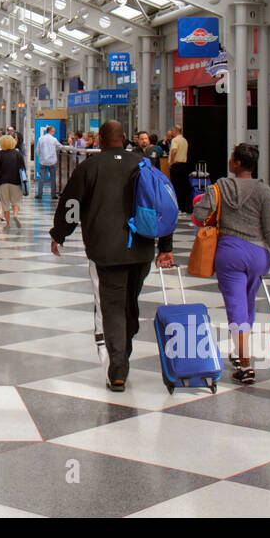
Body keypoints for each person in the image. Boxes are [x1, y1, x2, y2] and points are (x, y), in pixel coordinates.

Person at [50, 120, 175, 392]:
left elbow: (71, 204)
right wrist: (165, 246)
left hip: (106, 250)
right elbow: (163, 203)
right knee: (129, 303)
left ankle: (117, 368)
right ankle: (123, 353)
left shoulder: (89, 167)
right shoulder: (143, 164)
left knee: (114, 307)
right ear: (125, 138)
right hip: (141, 249)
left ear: (100, 140)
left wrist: (60, 233)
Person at [192, 143, 270, 385]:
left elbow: (200, 215)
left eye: (231, 157)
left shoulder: (220, 187)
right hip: (259, 255)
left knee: (236, 308)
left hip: (230, 253)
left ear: (236, 163)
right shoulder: (264, 191)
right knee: (247, 304)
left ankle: (246, 365)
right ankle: (238, 352)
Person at [0, 134, 27, 227]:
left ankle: (8, 223)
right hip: (16, 181)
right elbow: (23, 168)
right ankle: (15, 215)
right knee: (16, 201)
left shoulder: (0, 154)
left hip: (3, 182)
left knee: (5, 202)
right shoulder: (18, 154)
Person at [168, 124, 191, 213]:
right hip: (184, 165)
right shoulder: (184, 140)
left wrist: (171, 162)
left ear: (175, 131)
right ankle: (185, 206)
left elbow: (174, 150)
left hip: (176, 165)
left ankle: (178, 206)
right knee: (184, 186)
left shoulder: (175, 140)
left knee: (176, 186)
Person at [35, 125, 61, 200]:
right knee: (53, 178)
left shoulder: (41, 139)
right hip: (52, 162)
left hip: (42, 162)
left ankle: (39, 194)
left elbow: (37, 150)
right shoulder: (54, 139)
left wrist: (40, 157)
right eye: (54, 131)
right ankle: (53, 195)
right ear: (51, 131)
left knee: (41, 178)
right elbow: (60, 146)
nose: (54, 133)